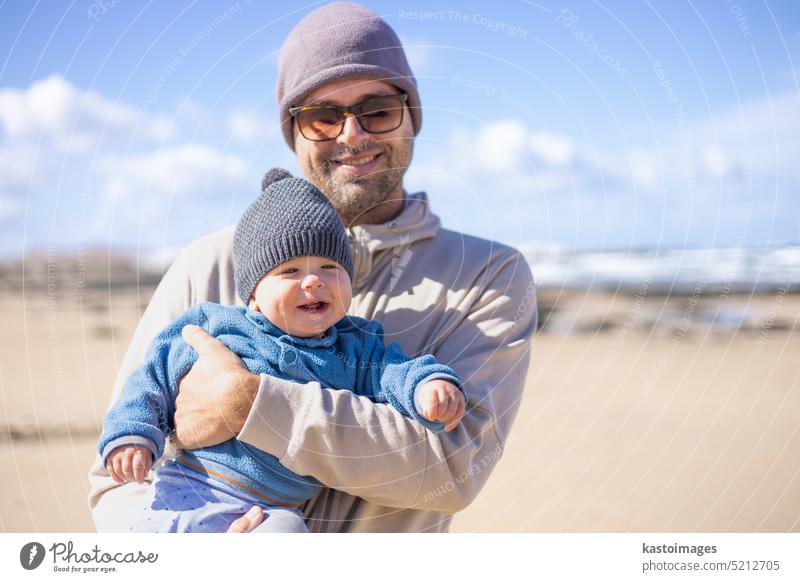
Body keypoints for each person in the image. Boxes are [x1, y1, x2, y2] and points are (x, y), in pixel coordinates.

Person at [89, 2, 538, 533]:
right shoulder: (205, 265)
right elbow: (116, 479)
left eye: (377, 109)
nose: (352, 135)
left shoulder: (488, 275)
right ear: (294, 133)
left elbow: (454, 469)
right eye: (323, 116)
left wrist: (250, 402)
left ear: (410, 116)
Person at [98, 169, 465, 532]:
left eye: (329, 267)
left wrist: (426, 387)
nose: (314, 280)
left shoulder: (356, 344)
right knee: (143, 537)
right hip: (190, 487)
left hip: (273, 511)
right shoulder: (219, 327)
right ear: (254, 295)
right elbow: (152, 377)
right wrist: (132, 435)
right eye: (290, 270)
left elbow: (393, 371)